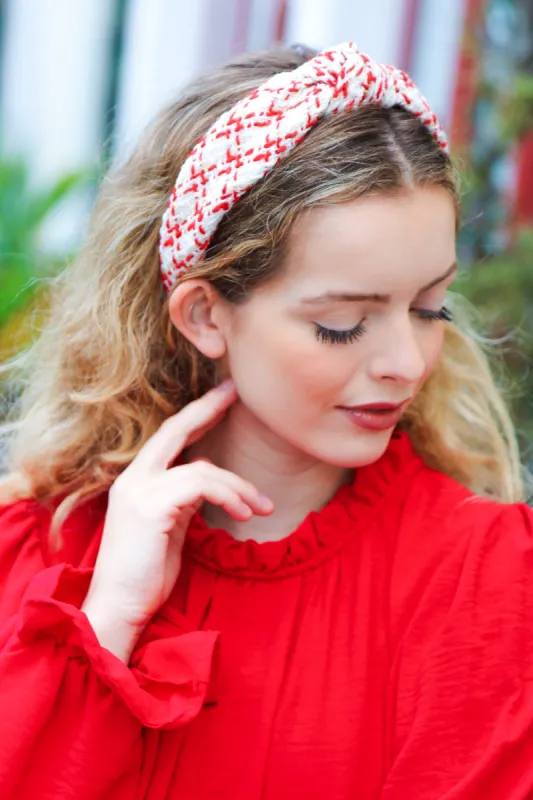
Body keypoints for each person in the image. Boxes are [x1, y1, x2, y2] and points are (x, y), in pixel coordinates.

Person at [0, 41, 532, 800]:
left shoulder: (483, 583)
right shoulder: (35, 556)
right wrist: (108, 622)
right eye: (343, 323)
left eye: (428, 307)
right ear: (204, 314)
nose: (406, 363)